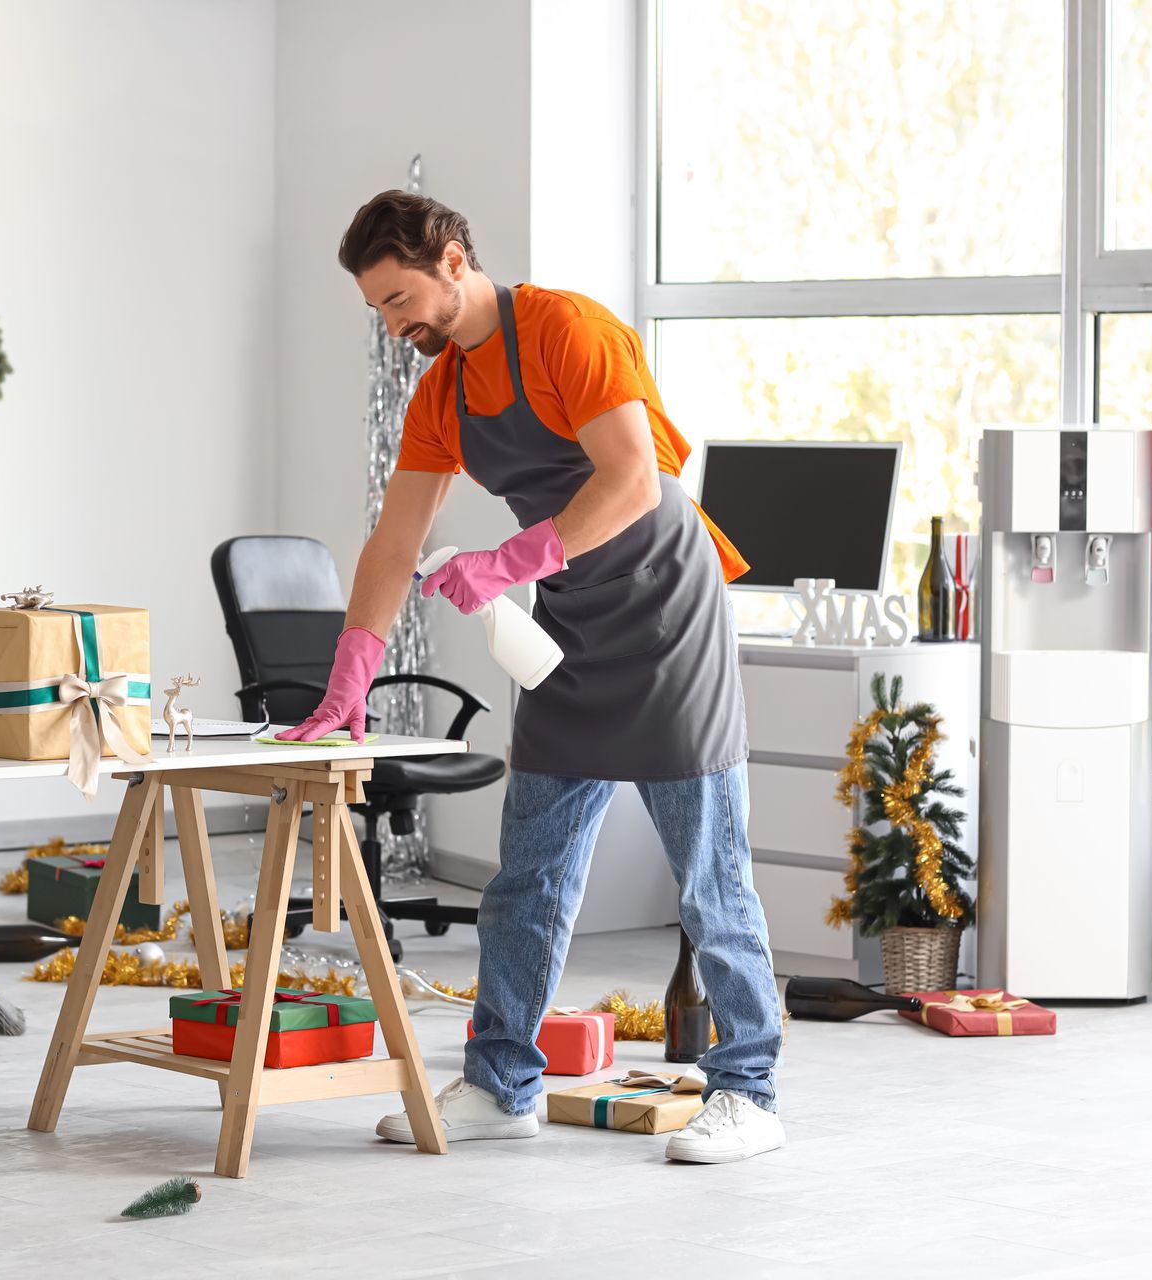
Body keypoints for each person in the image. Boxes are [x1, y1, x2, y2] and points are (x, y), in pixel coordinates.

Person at [278, 192, 782, 1164]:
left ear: (454, 260)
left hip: (666, 613)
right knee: (529, 875)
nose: (394, 324)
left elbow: (634, 477)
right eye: (379, 310)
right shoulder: (445, 394)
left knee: (710, 879)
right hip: (571, 626)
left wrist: (509, 563)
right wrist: (349, 679)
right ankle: (501, 1082)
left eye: (399, 298)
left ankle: (748, 1090)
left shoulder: (567, 328)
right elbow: (394, 541)